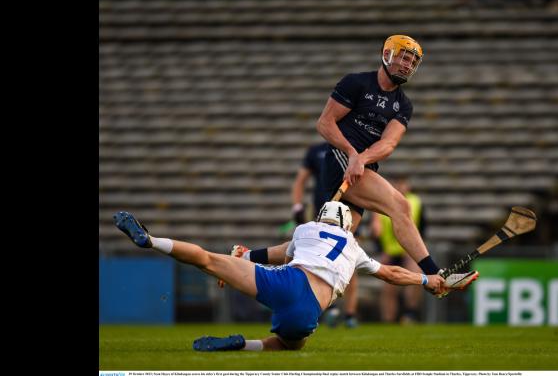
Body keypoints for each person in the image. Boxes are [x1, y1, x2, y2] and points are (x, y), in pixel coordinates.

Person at [230, 34, 477, 295]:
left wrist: (363, 159)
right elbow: (325, 123)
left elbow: (389, 144)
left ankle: (245, 257)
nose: (407, 65)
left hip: (362, 168)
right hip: (339, 161)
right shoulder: (356, 83)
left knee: (324, 245)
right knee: (400, 206)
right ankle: (435, 273)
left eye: (412, 61)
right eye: (404, 57)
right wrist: (352, 154)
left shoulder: (403, 105)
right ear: (387, 55)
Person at [112, 203, 456, 351]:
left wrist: (240, 257)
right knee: (289, 345)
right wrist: (428, 281)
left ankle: (151, 240)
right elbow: (393, 273)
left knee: (206, 258)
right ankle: (244, 346)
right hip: (307, 306)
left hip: (280, 281)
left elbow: (272, 254)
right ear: (348, 225)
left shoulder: (305, 229)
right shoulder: (354, 246)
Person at [224, 142, 362, 328]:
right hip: (324, 214)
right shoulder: (318, 151)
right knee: (313, 257)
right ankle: (328, 307)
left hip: (350, 214)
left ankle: (348, 314)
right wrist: (297, 206)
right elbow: (300, 180)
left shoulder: (357, 148)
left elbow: (370, 186)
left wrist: (375, 218)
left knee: (349, 263)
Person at [371, 176, 426, 324]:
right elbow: (376, 230)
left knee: (415, 278)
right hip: (390, 250)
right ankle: (388, 318)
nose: (401, 187)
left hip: (408, 251)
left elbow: (421, 227)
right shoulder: (383, 203)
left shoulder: (416, 202)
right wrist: (382, 249)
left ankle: (410, 313)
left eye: (403, 184)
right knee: (389, 288)